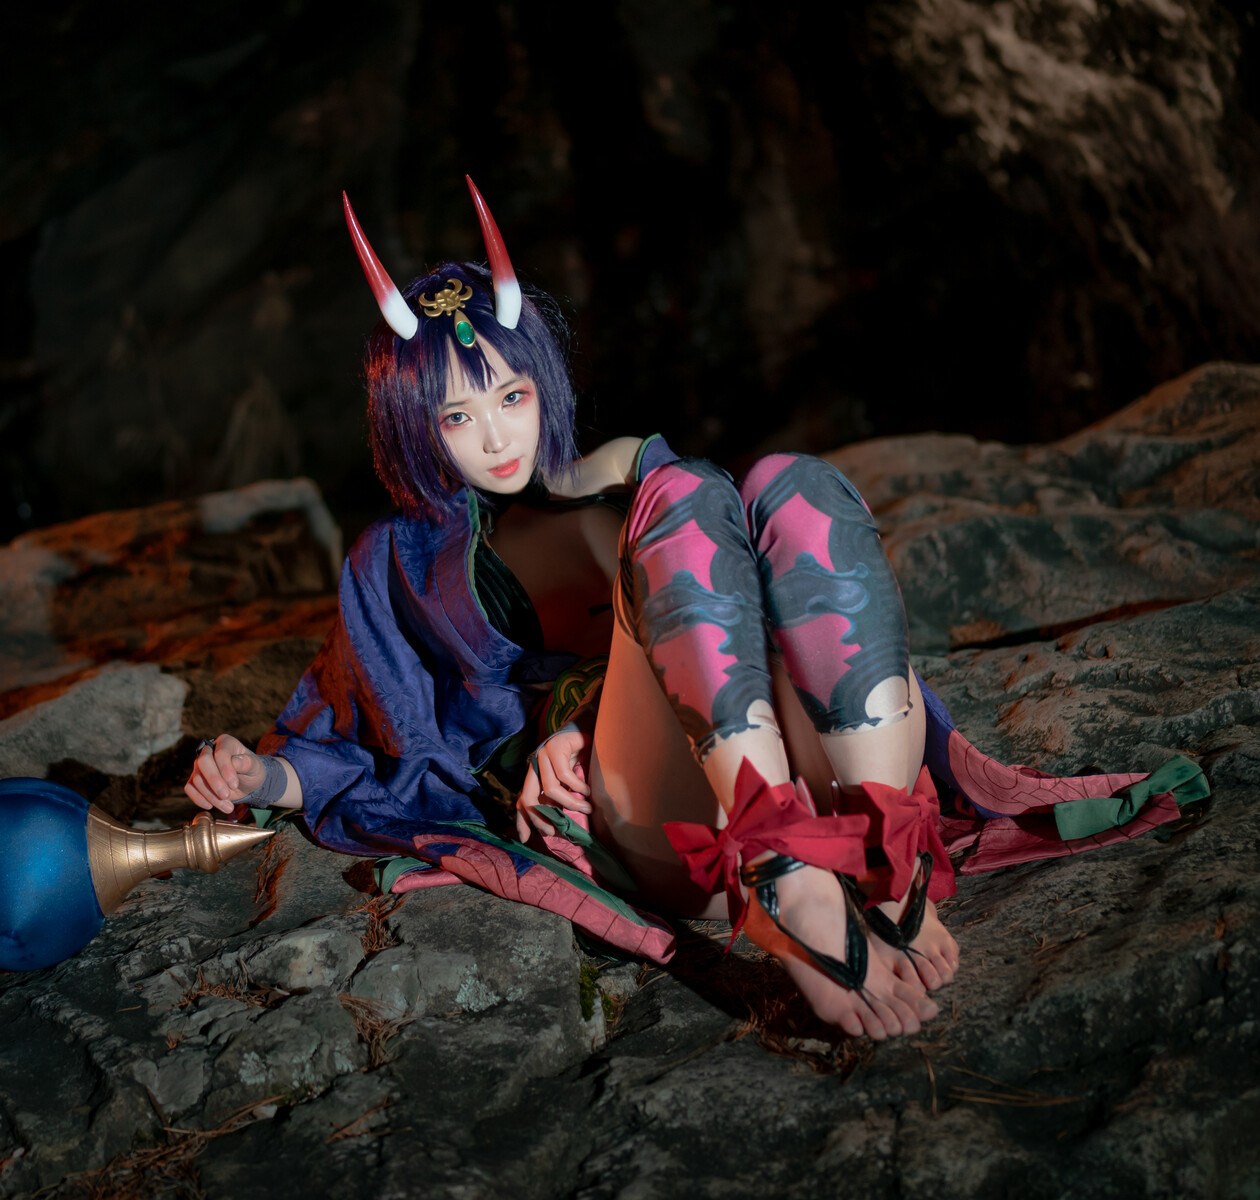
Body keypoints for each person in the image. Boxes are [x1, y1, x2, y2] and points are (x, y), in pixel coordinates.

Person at [183, 180, 1206, 1040]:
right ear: (415, 425)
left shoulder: (626, 472)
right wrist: (264, 776)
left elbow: (777, 611)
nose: (494, 437)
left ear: (544, 385)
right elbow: (366, 728)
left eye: (511, 397)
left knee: (790, 484)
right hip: (661, 822)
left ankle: (889, 858)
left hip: (802, 764)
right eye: (457, 414)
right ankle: (785, 880)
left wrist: (589, 698)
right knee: (686, 497)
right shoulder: (400, 563)